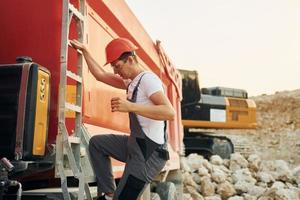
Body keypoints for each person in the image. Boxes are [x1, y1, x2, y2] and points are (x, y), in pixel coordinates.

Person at [70, 38, 175, 200]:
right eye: (113, 67)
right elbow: (100, 75)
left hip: (149, 155)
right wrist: (85, 50)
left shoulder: (149, 80)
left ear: (131, 60)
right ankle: (110, 194)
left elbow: (169, 112)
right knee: (97, 144)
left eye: (117, 66)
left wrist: (130, 106)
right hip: (135, 145)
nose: (115, 71)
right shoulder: (132, 82)